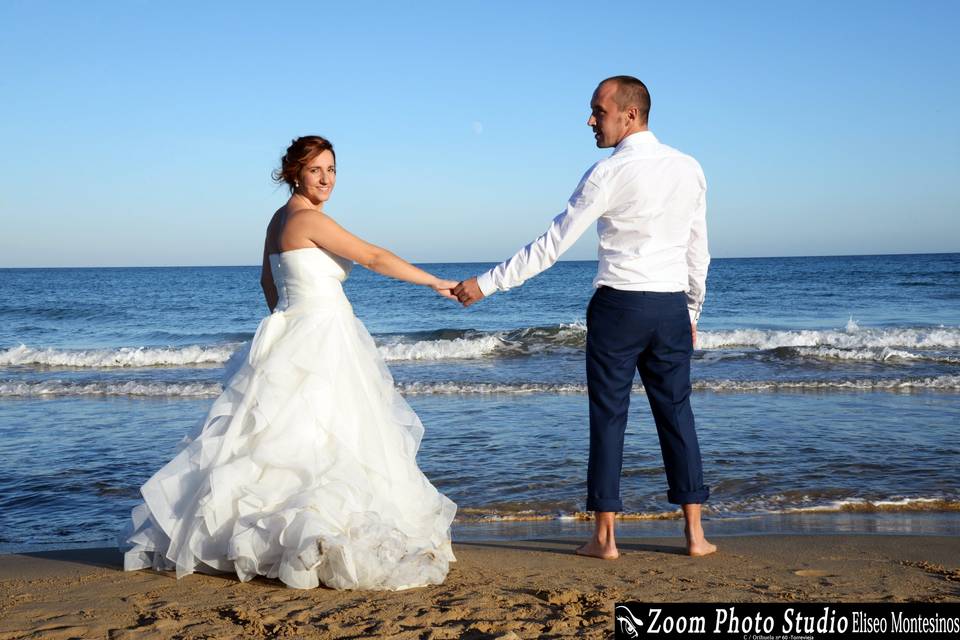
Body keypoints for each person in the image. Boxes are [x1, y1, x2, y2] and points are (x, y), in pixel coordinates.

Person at [121, 135, 459, 589]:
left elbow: (267, 281)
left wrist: (288, 323)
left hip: (296, 331)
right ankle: (308, 532)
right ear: (295, 173)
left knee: (291, 436)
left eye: (332, 169)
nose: (326, 178)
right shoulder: (306, 219)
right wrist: (436, 282)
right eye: (316, 169)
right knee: (328, 436)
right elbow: (375, 257)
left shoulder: (279, 219)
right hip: (322, 334)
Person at [453, 76, 716, 558]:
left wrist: (486, 284)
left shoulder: (607, 173)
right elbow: (698, 249)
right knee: (677, 414)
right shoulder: (689, 167)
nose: (591, 120)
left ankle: (604, 539)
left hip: (620, 307)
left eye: (599, 110)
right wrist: (692, 309)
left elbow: (552, 245)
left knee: (609, 417)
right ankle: (695, 536)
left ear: (630, 114)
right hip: (671, 306)